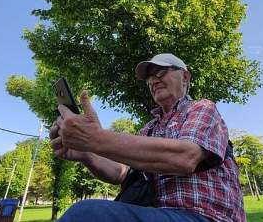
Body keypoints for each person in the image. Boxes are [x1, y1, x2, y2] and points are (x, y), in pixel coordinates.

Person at [50, 53, 246, 222]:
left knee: (86, 214)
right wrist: (87, 154)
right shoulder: (149, 129)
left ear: (185, 77)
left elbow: (186, 158)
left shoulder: (201, 108)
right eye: (149, 78)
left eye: (160, 72)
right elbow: (123, 174)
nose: (153, 81)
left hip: (205, 215)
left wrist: (95, 138)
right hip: (157, 213)